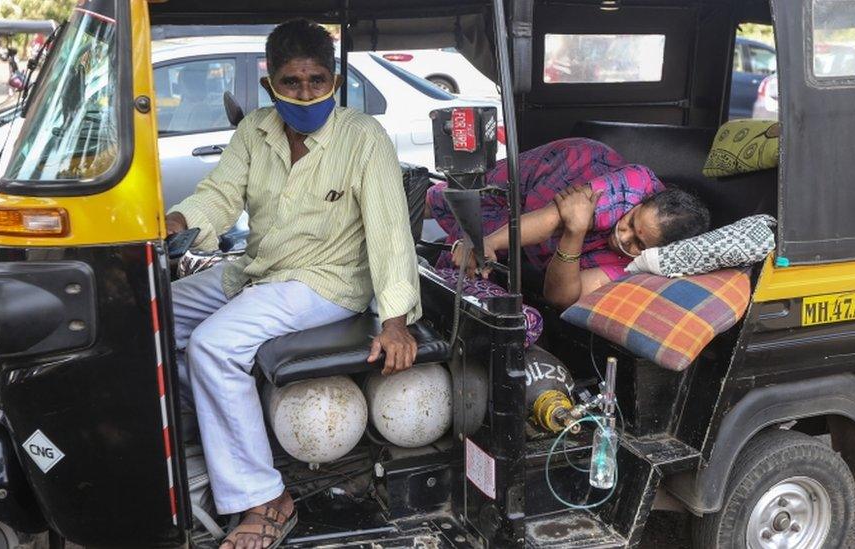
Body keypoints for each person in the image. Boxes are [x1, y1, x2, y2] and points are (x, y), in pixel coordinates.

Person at [164, 20, 421, 549]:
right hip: (258, 270)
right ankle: (208, 439)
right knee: (155, 313)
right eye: (291, 82)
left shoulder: (362, 137)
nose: (306, 92)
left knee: (215, 346)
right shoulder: (254, 131)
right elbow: (218, 196)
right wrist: (177, 222)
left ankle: (266, 499)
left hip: (325, 281)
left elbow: (390, 230)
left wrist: (396, 322)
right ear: (270, 86)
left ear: (335, 79)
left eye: (316, 80)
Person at [427, 137, 710, 308]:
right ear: (642, 202)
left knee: (471, 244)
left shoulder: (641, 268)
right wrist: (490, 242)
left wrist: (575, 233)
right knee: (456, 196)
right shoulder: (633, 184)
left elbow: (561, 297)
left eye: (639, 243)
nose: (624, 237)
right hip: (555, 173)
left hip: (546, 238)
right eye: (631, 223)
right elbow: (553, 217)